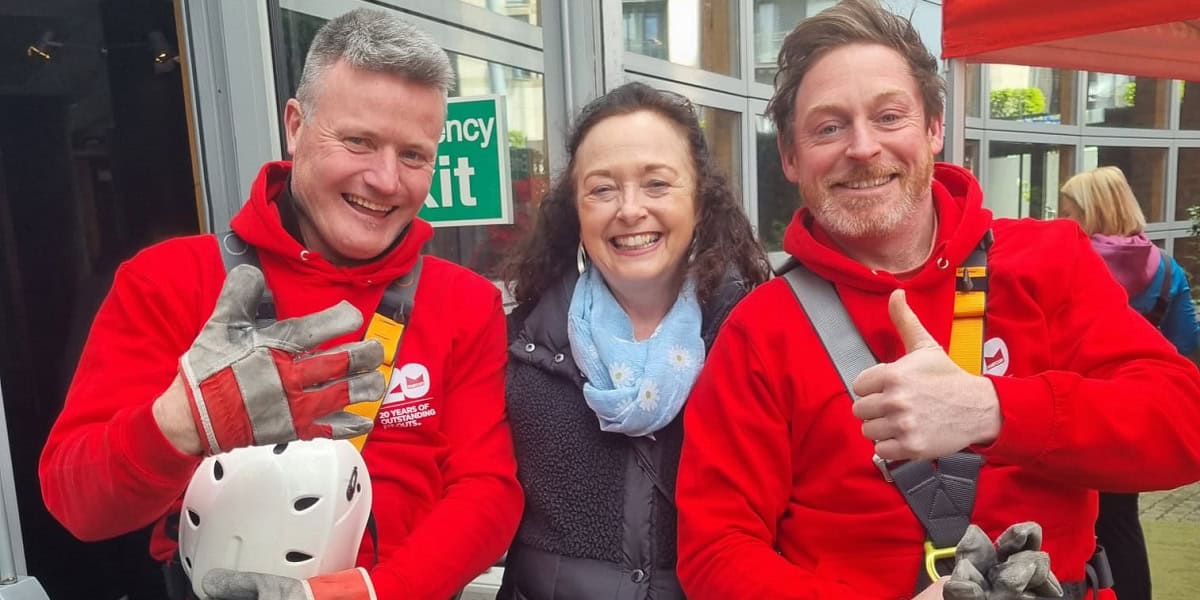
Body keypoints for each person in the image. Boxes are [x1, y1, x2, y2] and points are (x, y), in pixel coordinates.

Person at [673, 1, 1200, 599]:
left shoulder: (1050, 260)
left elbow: (1183, 426)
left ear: (933, 129)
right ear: (791, 158)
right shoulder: (761, 329)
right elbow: (716, 549)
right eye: (829, 127)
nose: (863, 147)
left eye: (888, 116)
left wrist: (993, 410)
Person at [38, 9, 522, 600]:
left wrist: (379, 591)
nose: (386, 179)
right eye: (359, 142)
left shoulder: (464, 302)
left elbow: (487, 490)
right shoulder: (168, 280)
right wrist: (181, 423)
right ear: (295, 126)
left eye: (414, 155)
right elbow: (77, 504)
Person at [497, 81, 770, 600]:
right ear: (575, 211)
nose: (629, 210)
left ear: (700, 200)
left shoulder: (755, 340)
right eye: (602, 190)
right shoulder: (521, 350)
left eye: (656, 184)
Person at [1059, 165, 1200, 600]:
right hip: (1133, 414)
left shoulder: (1068, 264)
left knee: (1067, 520)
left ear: (1092, 212)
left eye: (1069, 211)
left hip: (1073, 408)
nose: (1062, 219)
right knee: (1122, 521)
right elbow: (1187, 344)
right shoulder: (1167, 270)